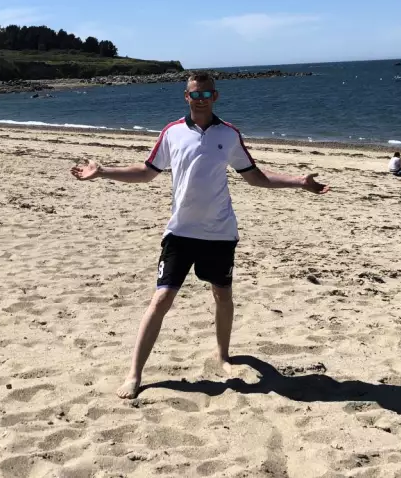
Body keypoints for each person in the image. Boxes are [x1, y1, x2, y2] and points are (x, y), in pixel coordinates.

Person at [70, 71, 329, 399]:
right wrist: (104, 172)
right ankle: (134, 374)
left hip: (220, 233)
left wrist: (299, 182)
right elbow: (147, 172)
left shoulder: (229, 134)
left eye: (207, 94)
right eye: (195, 94)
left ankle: (223, 355)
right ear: (186, 97)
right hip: (180, 232)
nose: (201, 100)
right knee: (161, 299)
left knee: (222, 295)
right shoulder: (172, 132)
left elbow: (255, 177)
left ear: (215, 97)